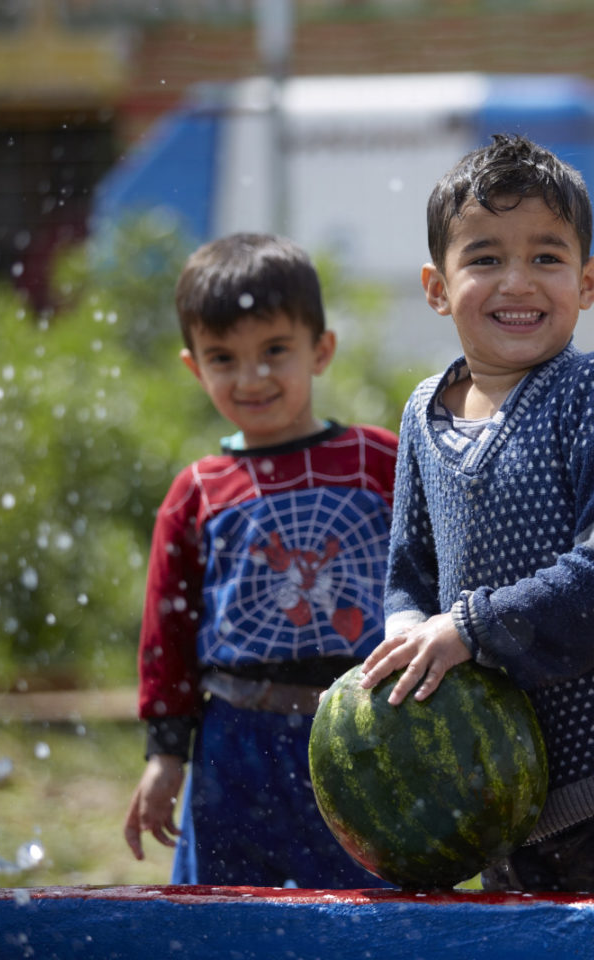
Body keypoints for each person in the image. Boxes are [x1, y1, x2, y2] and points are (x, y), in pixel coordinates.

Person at [360, 133, 594, 898]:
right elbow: (409, 570)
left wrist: (468, 630)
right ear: (436, 287)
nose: (518, 282)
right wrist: (406, 638)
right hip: (496, 791)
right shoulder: (423, 414)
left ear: (587, 282)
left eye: (546, 258)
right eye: (484, 259)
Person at [122, 232, 399, 888]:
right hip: (233, 749)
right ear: (195, 367)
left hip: (364, 739)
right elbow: (168, 636)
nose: (252, 378)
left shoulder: (379, 462)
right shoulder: (196, 492)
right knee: (226, 921)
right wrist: (166, 755)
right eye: (224, 358)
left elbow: (437, 572)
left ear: (320, 349)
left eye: (275, 350)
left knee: (374, 920)